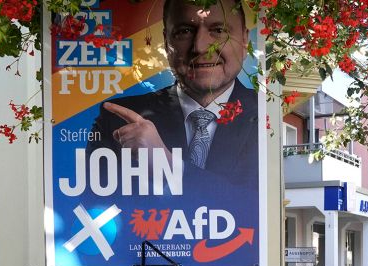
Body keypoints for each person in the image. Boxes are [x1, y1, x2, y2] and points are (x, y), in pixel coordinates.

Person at [87, 0, 258, 186]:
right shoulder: (117, 119)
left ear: (244, 40)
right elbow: (95, 205)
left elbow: (254, 204)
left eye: (218, 31)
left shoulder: (266, 115)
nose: (200, 47)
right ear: (166, 42)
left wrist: (169, 165)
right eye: (184, 31)